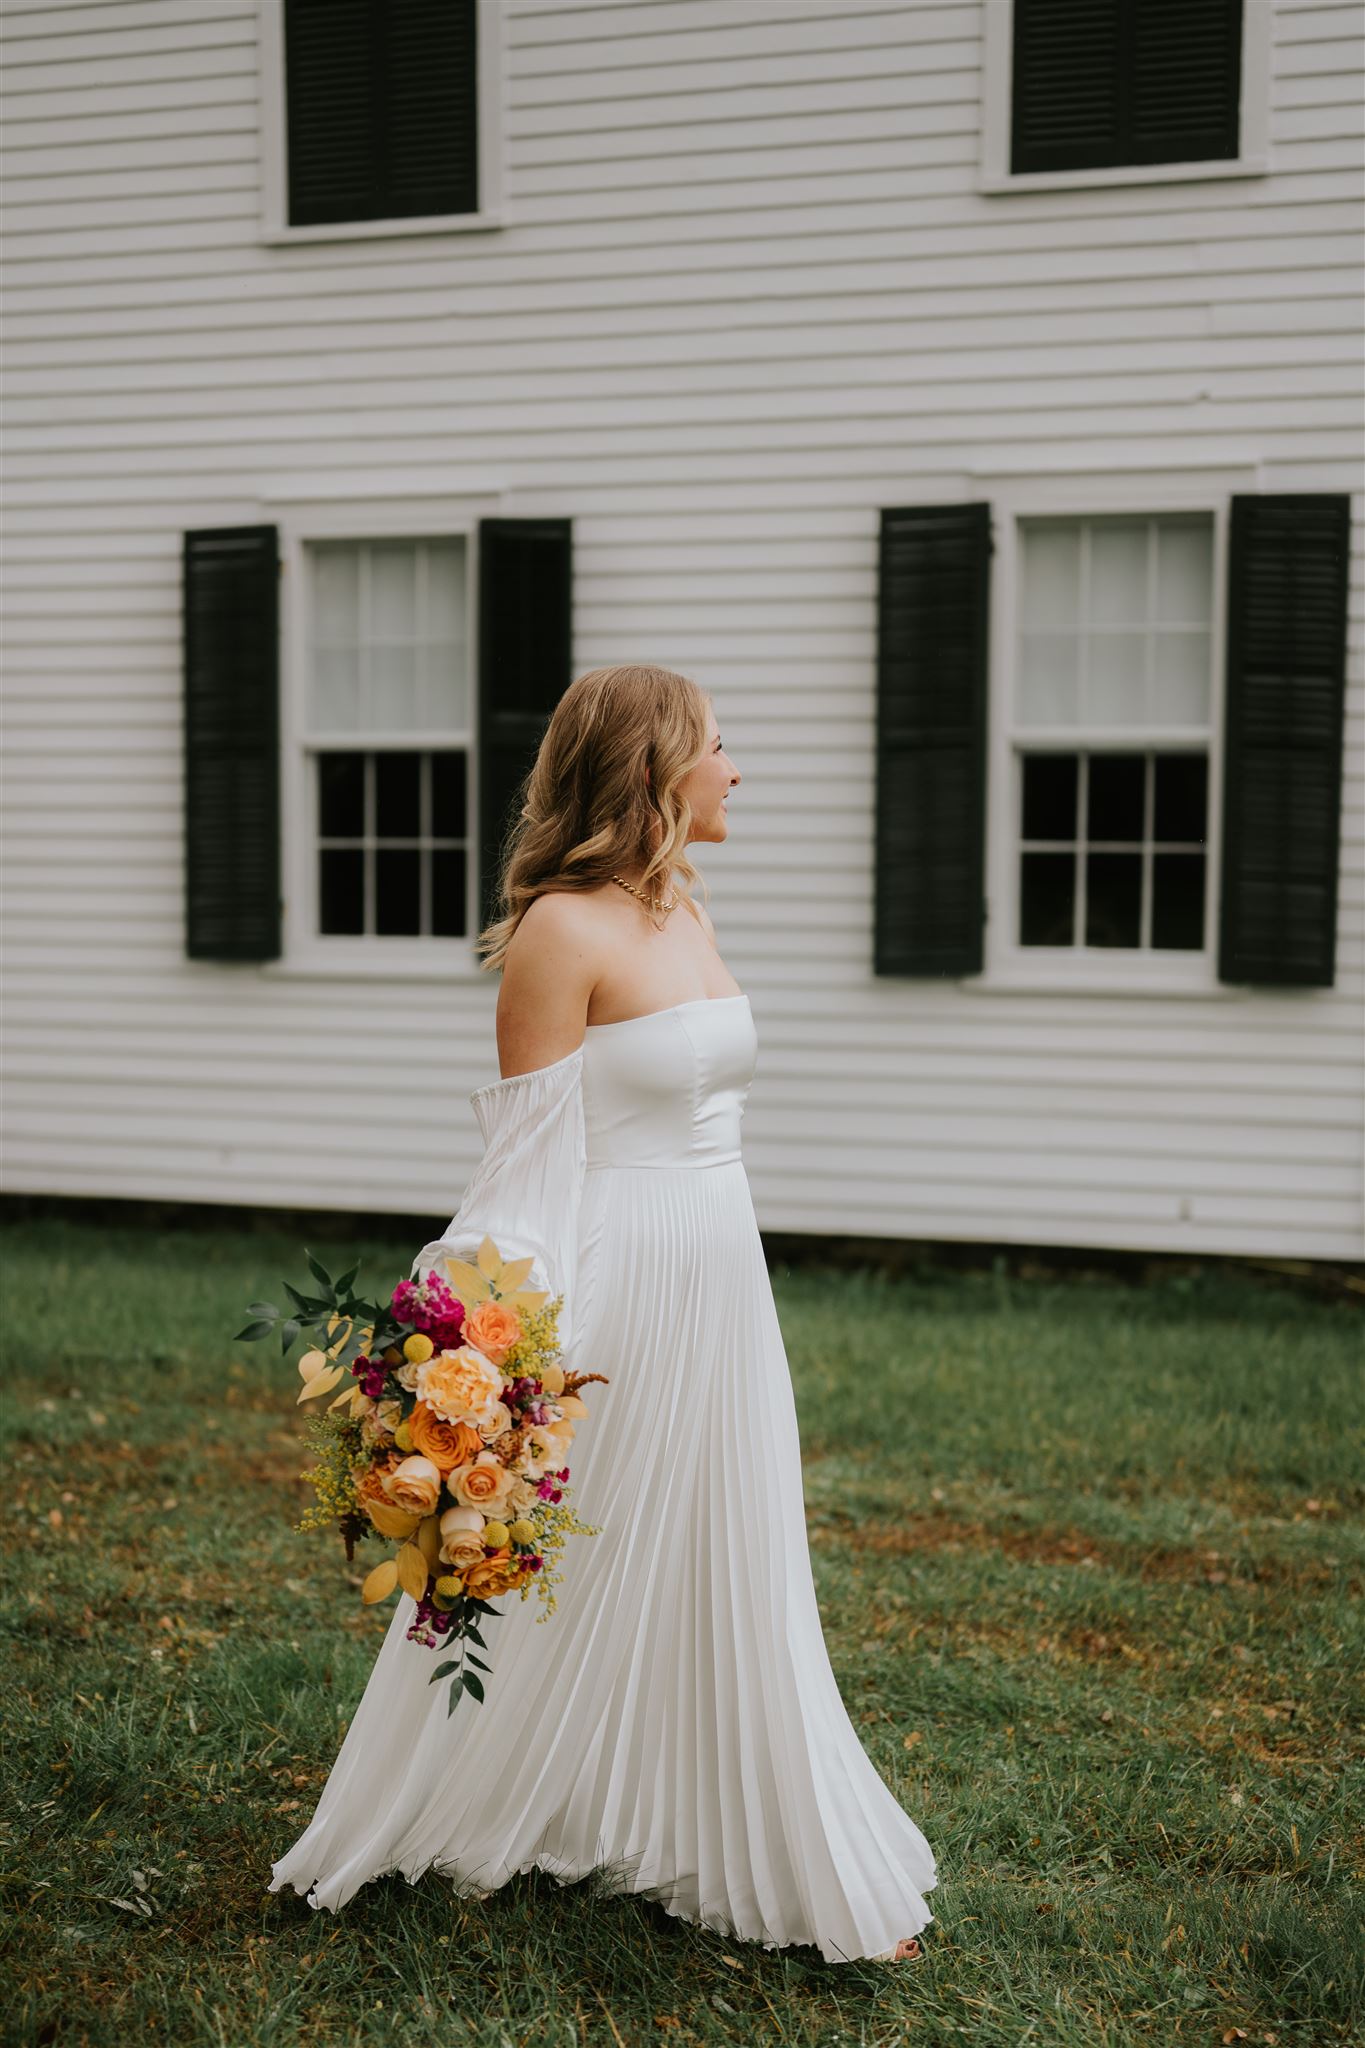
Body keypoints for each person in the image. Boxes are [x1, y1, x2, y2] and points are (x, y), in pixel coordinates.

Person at [268, 663, 937, 1963]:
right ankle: (465, 1799)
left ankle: (738, 1831)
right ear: (651, 771)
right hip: (615, 1279)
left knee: (725, 1545)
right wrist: (479, 1344)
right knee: (557, 1555)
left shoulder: (682, 908)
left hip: (720, 1274)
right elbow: (526, 1161)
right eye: (719, 747)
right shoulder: (558, 932)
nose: (736, 770)